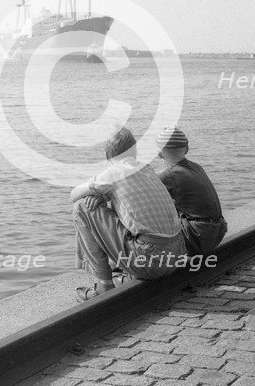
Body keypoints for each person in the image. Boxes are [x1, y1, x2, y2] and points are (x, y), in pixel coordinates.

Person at [71, 127, 187, 301]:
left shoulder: (114, 172)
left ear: (109, 158)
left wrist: (97, 193)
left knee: (81, 208)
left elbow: (73, 195)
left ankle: (104, 284)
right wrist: (102, 195)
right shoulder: (146, 168)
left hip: (150, 261)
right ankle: (119, 271)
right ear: (134, 152)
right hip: (177, 254)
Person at [155, 126, 227, 256]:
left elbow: (146, 191)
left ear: (159, 153)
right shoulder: (197, 167)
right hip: (218, 232)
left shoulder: (169, 175)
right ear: (187, 149)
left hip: (197, 237)